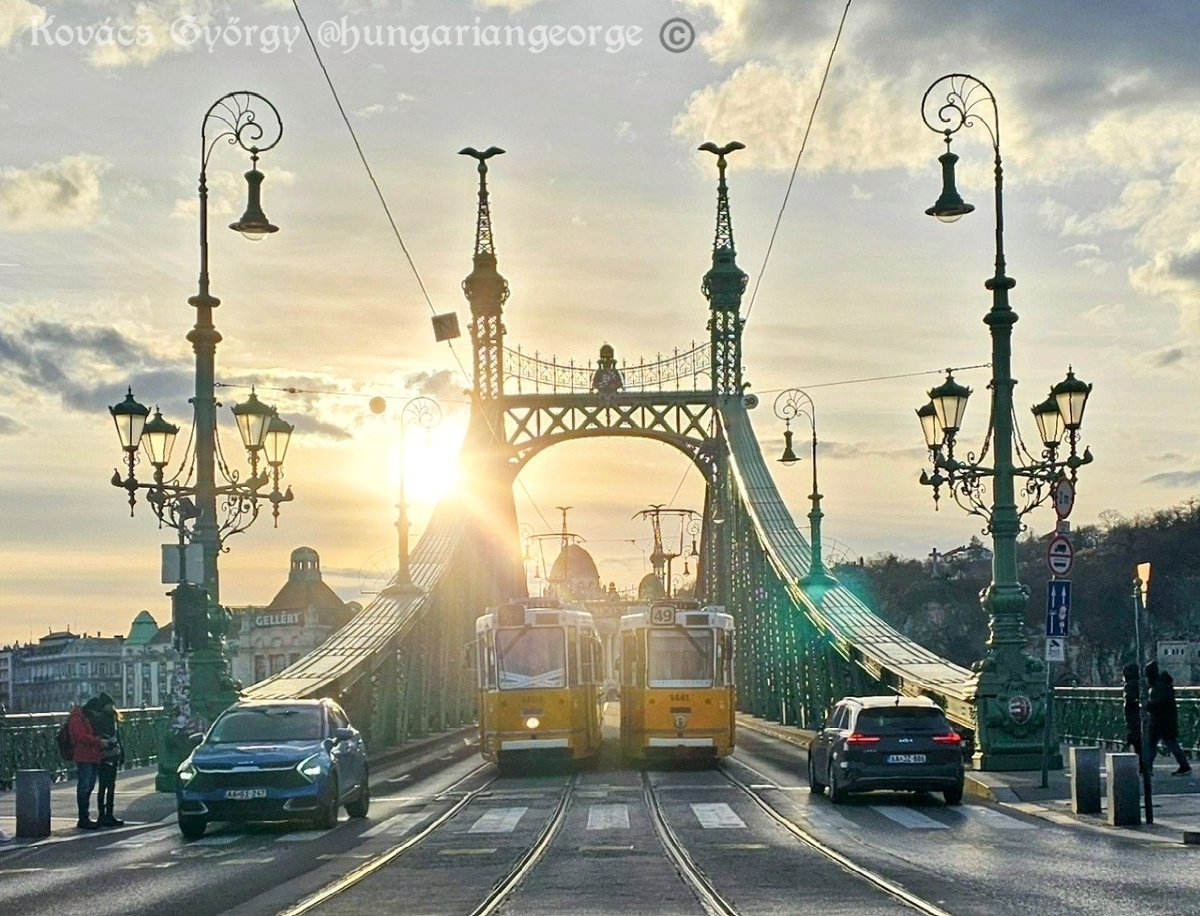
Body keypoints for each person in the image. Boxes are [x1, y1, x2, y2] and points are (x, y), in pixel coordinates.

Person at [1145, 661, 1192, 776]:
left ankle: (1148, 767)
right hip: (1164, 720)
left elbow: (1160, 703)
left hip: (1161, 720)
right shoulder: (1163, 684)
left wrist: (1148, 705)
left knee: (1161, 743)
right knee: (1165, 743)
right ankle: (1148, 767)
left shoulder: (1159, 686)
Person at [69, 698, 105, 829]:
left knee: (88, 786)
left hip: (92, 755)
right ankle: (83, 818)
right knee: (84, 787)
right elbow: (80, 736)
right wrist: (97, 740)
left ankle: (85, 816)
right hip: (84, 756)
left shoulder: (84, 716)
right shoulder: (77, 717)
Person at [90, 692, 125, 827]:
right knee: (108, 786)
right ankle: (106, 815)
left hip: (107, 755)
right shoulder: (107, 719)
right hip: (108, 754)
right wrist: (121, 752)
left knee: (105, 786)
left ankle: (104, 815)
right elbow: (116, 737)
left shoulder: (102, 718)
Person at [1121, 662, 1143, 769]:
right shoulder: (1139, 684)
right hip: (1137, 716)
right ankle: (1143, 765)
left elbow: (1129, 700)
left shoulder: (1130, 685)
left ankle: (1141, 765)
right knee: (1138, 742)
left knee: (1135, 740)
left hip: (1132, 716)